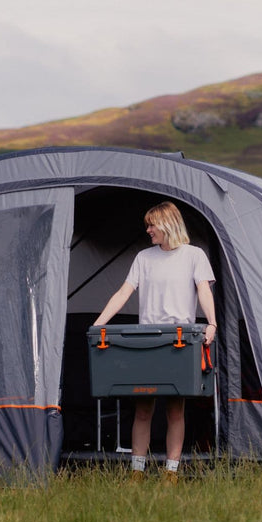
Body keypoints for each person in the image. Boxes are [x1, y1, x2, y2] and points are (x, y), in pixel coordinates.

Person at [93, 201, 216, 482]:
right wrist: (99, 323)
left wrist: (211, 323)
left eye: (152, 225)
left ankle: (170, 473)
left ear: (167, 224)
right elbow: (124, 292)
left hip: (178, 341)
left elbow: (203, 291)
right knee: (144, 408)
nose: (148, 230)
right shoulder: (144, 258)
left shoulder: (194, 256)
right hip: (147, 340)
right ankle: (137, 471)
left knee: (175, 410)